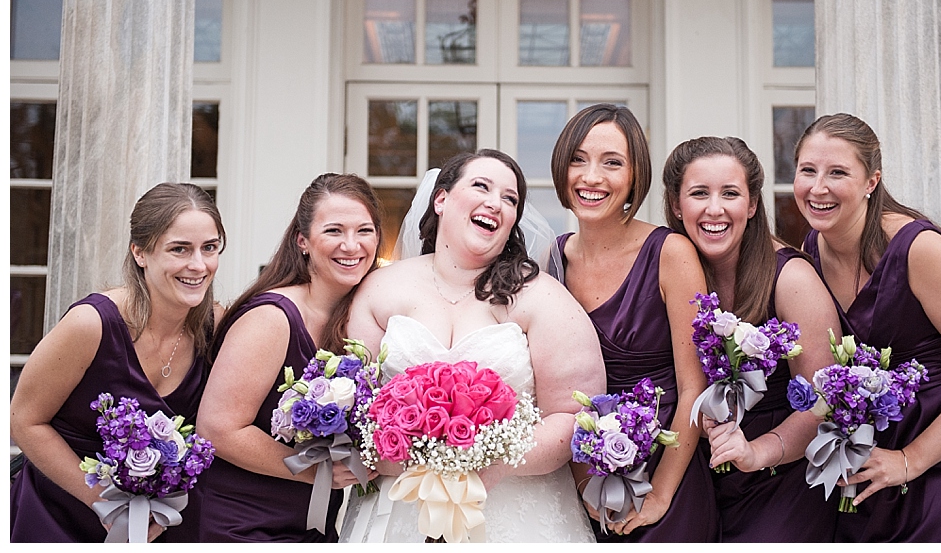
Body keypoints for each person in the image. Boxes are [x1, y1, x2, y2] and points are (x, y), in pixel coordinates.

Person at [339, 149, 605, 543]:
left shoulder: (542, 297)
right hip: (399, 506)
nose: (495, 202)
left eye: (510, 199)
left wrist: (491, 459)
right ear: (441, 199)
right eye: (481, 186)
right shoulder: (381, 287)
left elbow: (574, 415)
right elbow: (356, 401)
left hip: (513, 510)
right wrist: (401, 454)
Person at [793, 113, 941, 542]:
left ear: (871, 181)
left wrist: (910, 459)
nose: (817, 187)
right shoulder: (810, 251)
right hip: (868, 468)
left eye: (837, 172)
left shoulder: (919, 250)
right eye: (807, 170)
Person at [10, 182, 226, 543]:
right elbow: (24, 419)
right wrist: (106, 501)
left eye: (210, 248)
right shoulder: (91, 324)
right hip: (56, 517)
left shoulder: (214, 327)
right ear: (140, 252)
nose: (198, 265)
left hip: (159, 527)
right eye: (179, 249)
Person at [548, 104, 719, 542]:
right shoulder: (552, 260)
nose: (591, 177)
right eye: (578, 160)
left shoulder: (671, 253)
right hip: (581, 486)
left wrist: (661, 495)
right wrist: (584, 484)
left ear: (634, 175)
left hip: (667, 480)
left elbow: (694, 389)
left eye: (611, 163)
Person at [662, 136, 839, 541]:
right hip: (701, 480)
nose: (714, 209)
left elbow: (826, 403)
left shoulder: (791, 279)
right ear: (676, 204)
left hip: (784, 479)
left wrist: (755, 452)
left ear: (753, 204)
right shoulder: (671, 272)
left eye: (730, 193)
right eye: (699, 193)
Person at [196, 173, 381, 542]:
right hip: (241, 524)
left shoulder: (358, 322)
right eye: (333, 231)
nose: (351, 245)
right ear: (303, 241)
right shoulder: (271, 318)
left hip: (310, 526)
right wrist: (316, 469)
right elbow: (218, 428)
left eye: (364, 230)